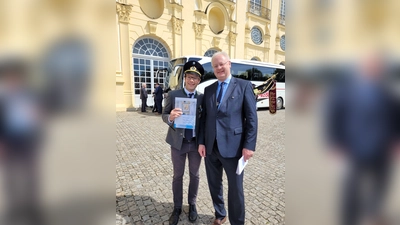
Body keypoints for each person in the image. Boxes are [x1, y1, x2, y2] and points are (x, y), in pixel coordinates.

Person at [324, 52, 400, 225]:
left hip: (382, 149)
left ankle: (374, 212)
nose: (374, 70)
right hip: (353, 149)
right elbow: (334, 117)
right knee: (351, 190)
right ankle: (349, 219)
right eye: (370, 66)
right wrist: (334, 144)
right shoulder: (345, 92)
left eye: (377, 67)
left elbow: (397, 118)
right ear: (362, 69)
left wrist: (396, 140)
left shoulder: (387, 92)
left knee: (381, 185)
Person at [198, 52, 258, 225]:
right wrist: (201, 141)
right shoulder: (208, 90)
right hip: (211, 148)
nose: (218, 68)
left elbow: (252, 119)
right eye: (215, 66)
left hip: (234, 148)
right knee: (214, 184)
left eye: (221, 64)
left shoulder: (244, 86)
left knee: (236, 189)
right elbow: (204, 119)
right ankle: (220, 214)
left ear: (229, 64)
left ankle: (237, 222)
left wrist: (249, 145)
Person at [162, 61, 204, 225]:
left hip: (195, 144)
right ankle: (177, 207)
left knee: (195, 175)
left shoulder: (202, 98)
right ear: (184, 77)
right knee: (177, 176)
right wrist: (170, 118)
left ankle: (192, 204)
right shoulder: (173, 95)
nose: (192, 80)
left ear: (199, 80)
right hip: (177, 143)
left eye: (195, 78)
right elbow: (164, 115)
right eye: (189, 77)